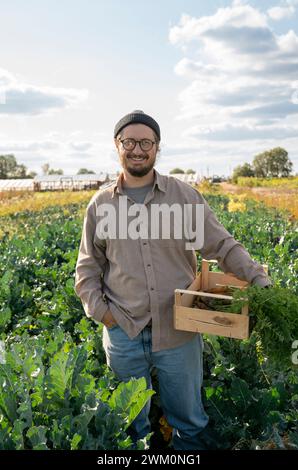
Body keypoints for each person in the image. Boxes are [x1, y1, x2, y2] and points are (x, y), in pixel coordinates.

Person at [74, 110, 272, 450]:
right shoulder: (101, 205)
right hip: (124, 330)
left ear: (157, 147)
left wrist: (258, 279)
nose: (138, 149)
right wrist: (105, 316)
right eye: (129, 141)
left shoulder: (184, 197)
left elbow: (222, 245)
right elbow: (87, 269)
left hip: (179, 329)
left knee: (189, 424)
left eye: (146, 142)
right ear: (117, 145)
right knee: (131, 427)